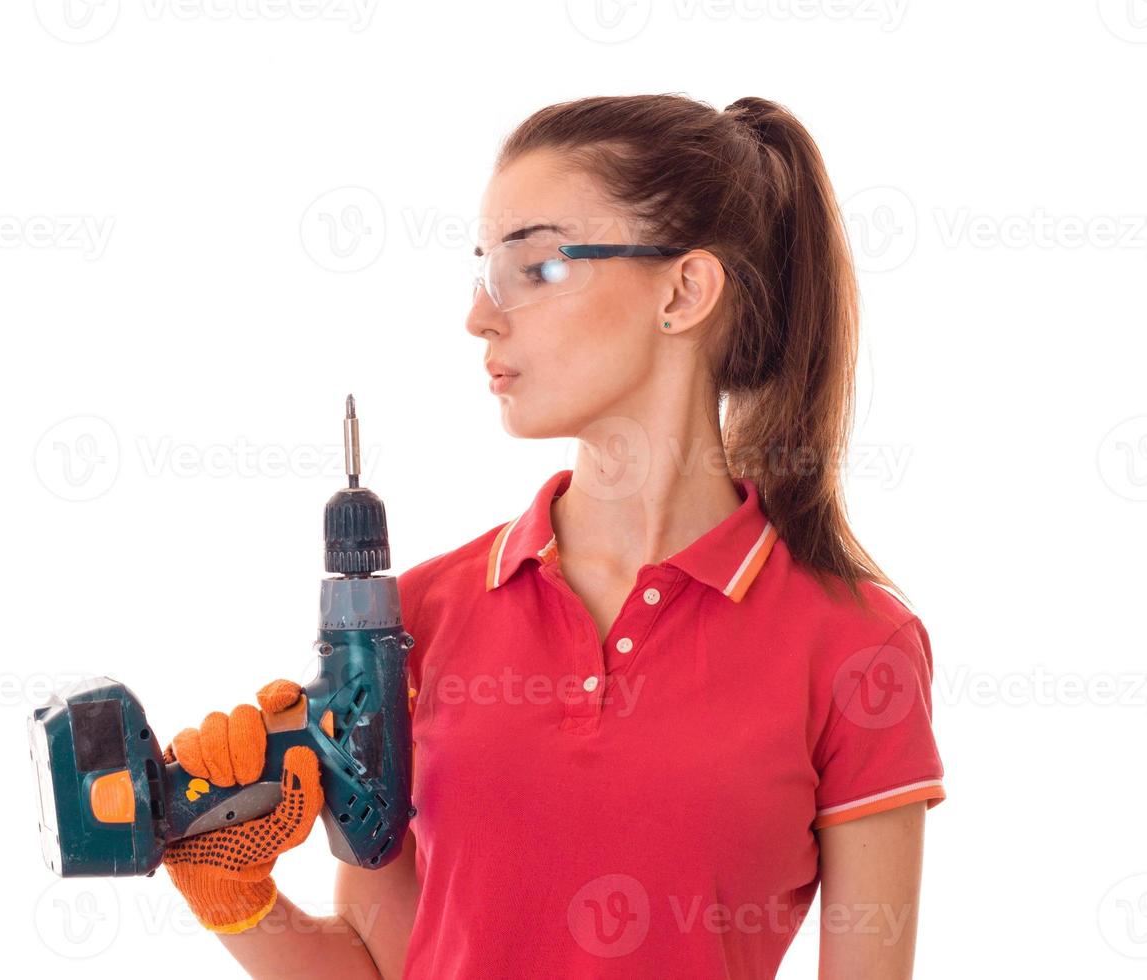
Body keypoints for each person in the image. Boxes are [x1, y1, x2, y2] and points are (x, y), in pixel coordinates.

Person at [158, 93, 945, 980]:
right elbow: (384, 966)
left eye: (536, 268)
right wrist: (230, 890)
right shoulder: (418, 615)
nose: (480, 317)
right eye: (484, 271)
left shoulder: (857, 647)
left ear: (683, 291)